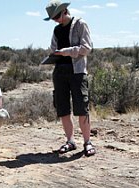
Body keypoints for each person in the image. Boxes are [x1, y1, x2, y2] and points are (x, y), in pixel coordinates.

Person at [44, 0, 96, 156]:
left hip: (77, 71)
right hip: (59, 71)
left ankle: (87, 142)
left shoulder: (80, 24)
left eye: (56, 16)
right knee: (63, 108)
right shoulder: (56, 30)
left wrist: (67, 51)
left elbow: (86, 48)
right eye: (52, 18)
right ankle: (70, 141)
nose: (55, 20)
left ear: (64, 11)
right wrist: (53, 54)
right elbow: (54, 48)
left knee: (82, 108)